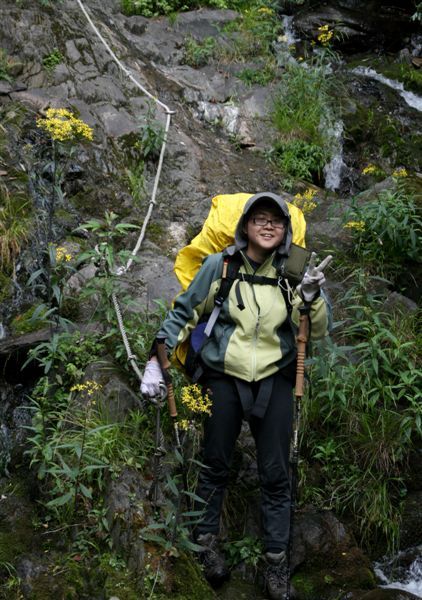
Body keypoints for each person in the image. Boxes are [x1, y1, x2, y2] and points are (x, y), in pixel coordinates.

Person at [141, 192, 331, 600]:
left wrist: (313, 299)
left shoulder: (294, 272)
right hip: (223, 376)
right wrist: (156, 357)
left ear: (285, 232)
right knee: (215, 464)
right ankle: (205, 547)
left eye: (275, 221)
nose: (267, 225)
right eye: (259, 219)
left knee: (278, 476)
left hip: (275, 379)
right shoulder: (220, 265)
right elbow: (184, 311)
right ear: (245, 226)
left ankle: (276, 566)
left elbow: (314, 332)